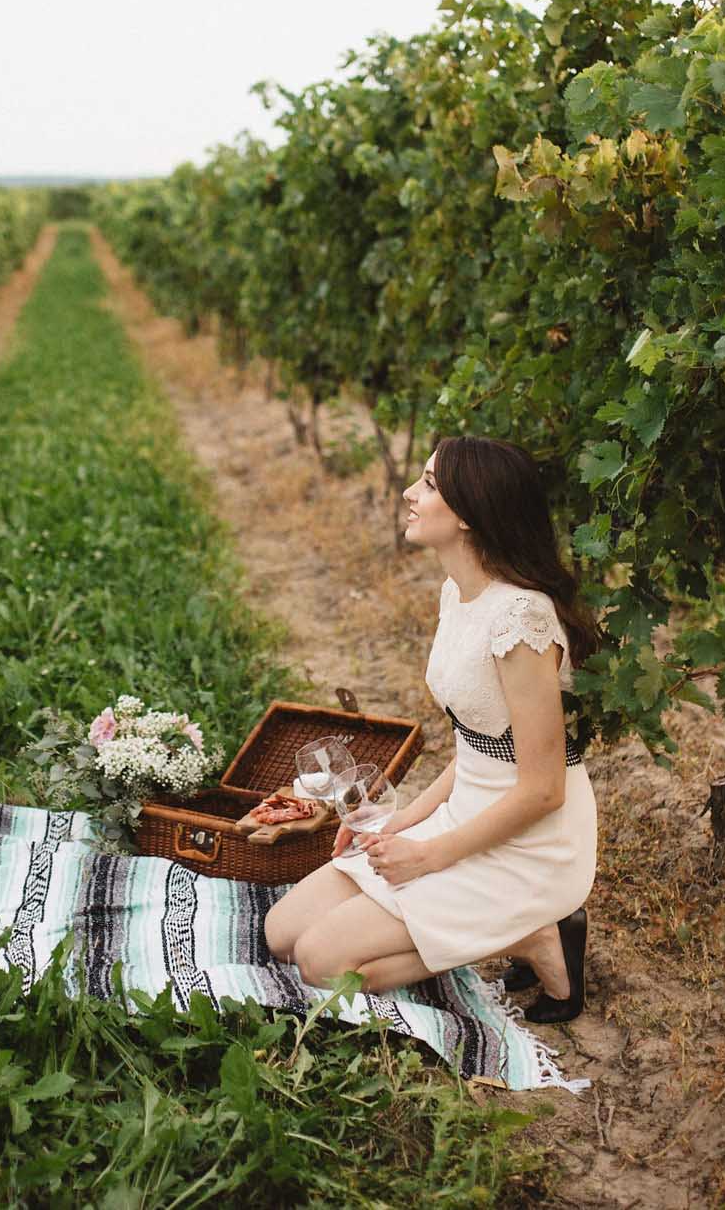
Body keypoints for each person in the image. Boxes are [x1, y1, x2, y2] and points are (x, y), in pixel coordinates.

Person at [264, 436, 601, 1021]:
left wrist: (428, 857)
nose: (408, 493)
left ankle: (535, 934)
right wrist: (403, 821)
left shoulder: (522, 619)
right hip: (467, 812)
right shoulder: (458, 593)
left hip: (529, 842)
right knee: (281, 933)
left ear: (468, 513)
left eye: (427, 484)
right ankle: (510, 931)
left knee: (321, 963)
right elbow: (478, 746)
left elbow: (544, 789)